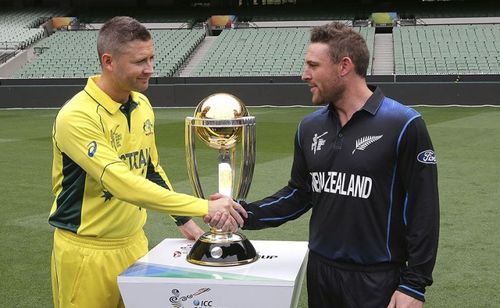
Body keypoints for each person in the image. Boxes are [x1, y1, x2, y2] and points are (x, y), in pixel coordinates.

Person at [207, 22, 440, 307]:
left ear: (344, 66)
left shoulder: (404, 124)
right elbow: (300, 193)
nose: (304, 75)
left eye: (313, 66)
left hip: (376, 277)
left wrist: (414, 285)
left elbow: (423, 210)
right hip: (321, 273)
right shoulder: (309, 126)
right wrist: (243, 213)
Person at [49, 16, 244, 308]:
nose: (150, 69)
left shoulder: (141, 104)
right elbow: (122, 184)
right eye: (140, 61)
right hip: (88, 252)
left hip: (135, 245)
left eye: (152, 58)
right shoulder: (77, 116)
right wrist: (204, 207)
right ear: (109, 61)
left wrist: (185, 222)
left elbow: (150, 170)